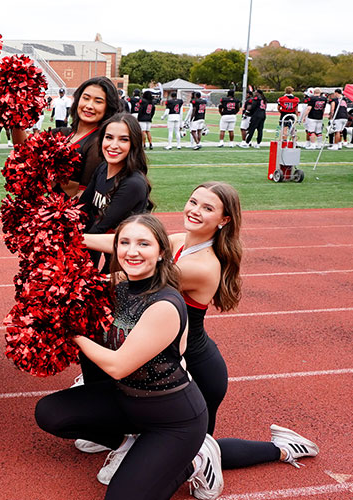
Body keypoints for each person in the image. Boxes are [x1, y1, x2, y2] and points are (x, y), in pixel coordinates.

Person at [83, 183, 319, 498]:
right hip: (168, 362)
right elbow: (123, 243)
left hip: (195, 374)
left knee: (197, 450)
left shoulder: (200, 265)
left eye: (208, 208)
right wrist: (71, 238)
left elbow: (127, 275)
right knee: (163, 439)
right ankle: (135, 443)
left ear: (224, 220)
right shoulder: (181, 241)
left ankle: (280, 449)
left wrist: (69, 282)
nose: (195, 210)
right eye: (194, 202)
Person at [35, 213, 214, 500]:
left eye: (143, 244)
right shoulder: (119, 281)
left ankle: (195, 463)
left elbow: (118, 366)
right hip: (126, 402)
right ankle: (127, 442)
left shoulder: (165, 304)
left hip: (173, 419)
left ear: (161, 253)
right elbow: (73, 288)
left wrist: (71, 332)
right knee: (50, 413)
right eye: (125, 243)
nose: (132, 251)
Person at [79, 113, 154, 272]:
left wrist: (71, 242)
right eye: (109, 137)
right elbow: (82, 206)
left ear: (134, 144)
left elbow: (101, 226)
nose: (113, 145)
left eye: (123, 139)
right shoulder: (102, 168)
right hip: (104, 245)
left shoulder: (133, 184)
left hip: (126, 260)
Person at [53, 76, 122, 197]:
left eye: (98, 101)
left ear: (108, 107)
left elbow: (84, 193)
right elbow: (24, 147)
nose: (89, 105)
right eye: (86, 98)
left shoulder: (98, 143)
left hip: (68, 212)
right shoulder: (64, 133)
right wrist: (17, 113)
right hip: (49, 209)